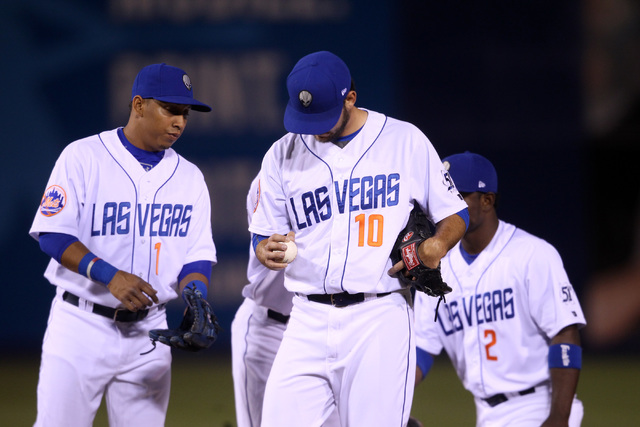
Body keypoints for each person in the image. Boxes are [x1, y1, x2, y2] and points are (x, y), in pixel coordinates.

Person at [249, 50, 469, 427]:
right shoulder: (281, 154)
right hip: (306, 317)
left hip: (378, 316)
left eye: (322, 116)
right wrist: (263, 248)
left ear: (350, 98)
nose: (313, 128)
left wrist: (438, 244)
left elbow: (455, 212)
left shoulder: (405, 141)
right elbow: (263, 231)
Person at [29, 63, 217, 426]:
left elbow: (197, 256)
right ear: (139, 105)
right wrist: (109, 276)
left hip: (150, 333)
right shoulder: (83, 156)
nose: (179, 121)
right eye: (170, 109)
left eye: (185, 113)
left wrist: (196, 299)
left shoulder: (190, 177)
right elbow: (52, 233)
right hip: (80, 325)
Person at [413, 152, 586, 427]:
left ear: (487, 201)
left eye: (458, 196)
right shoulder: (436, 267)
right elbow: (421, 348)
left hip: (539, 405)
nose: (446, 206)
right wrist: (391, 403)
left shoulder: (532, 254)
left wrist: (558, 417)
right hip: (486, 413)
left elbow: (565, 333)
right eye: (443, 196)